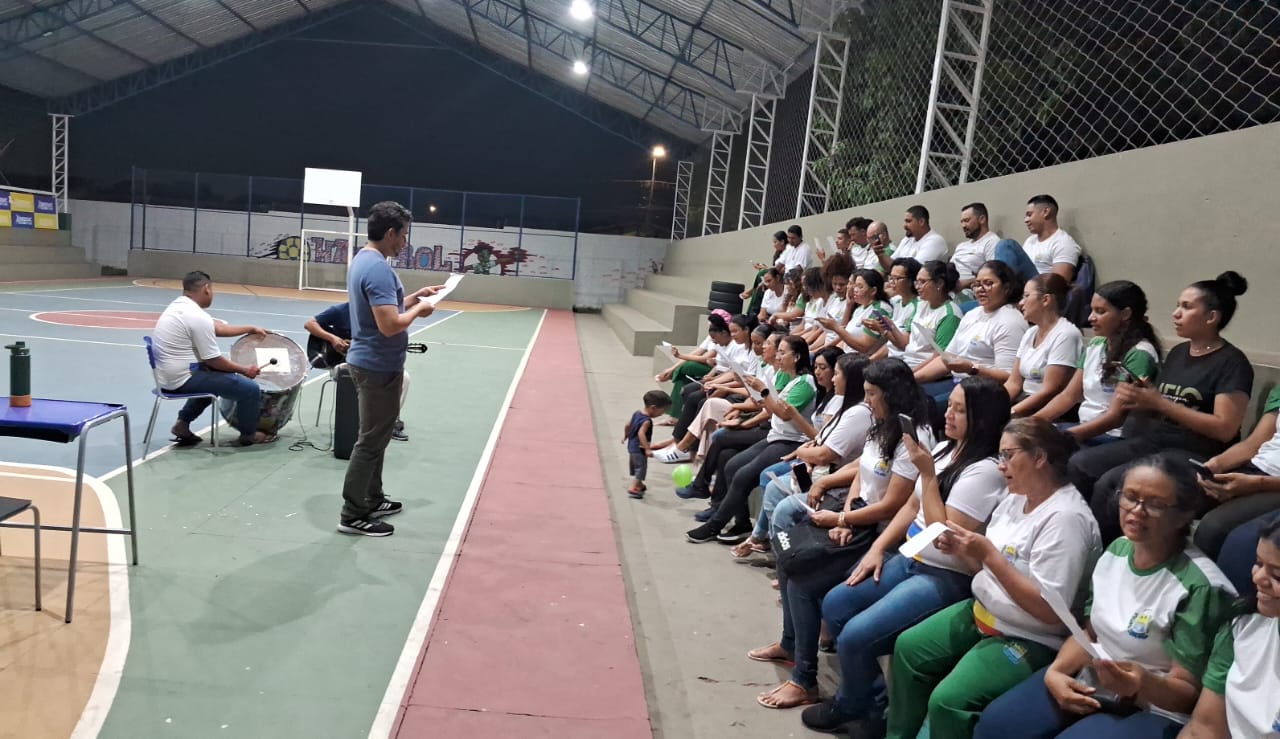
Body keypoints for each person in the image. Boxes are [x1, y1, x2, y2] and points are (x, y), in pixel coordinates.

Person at [798, 377, 1010, 734]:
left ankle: (853, 706)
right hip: (911, 555)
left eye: (960, 410)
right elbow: (912, 507)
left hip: (946, 574)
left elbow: (944, 532)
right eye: (950, 405)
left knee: (856, 636)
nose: (949, 414)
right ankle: (873, 701)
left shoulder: (985, 470)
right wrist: (879, 549)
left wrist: (927, 474)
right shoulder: (945, 449)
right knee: (835, 605)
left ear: (983, 418)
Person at [976, 456, 1237, 739]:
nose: (1137, 511)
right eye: (1130, 497)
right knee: (997, 726)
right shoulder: (1118, 549)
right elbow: (1090, 633)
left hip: (1154, 707)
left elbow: (1188, 695)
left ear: (1184, 515)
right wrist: (1057, 672)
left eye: (1155, 505)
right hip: (1096, 677)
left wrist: (1141, 682)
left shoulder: (1201, 587)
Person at [886, 418, 1102, 739]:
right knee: (909, 648)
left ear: (1039, 457)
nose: (1001, 465)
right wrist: (963, 549)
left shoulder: (1066, 518)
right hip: (985, 610)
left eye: (1008, 455)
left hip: (1031, 636)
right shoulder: (1016, 497)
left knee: (949, 700)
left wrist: (989, 556)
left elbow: (1048, 611)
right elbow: (985, 567)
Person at [750, 358, 935, 710]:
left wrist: (844, 519)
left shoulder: (913, 438)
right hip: (856, 523)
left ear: (892, 394)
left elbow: (894, 505)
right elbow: (862, 473)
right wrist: (844, 518)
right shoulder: (881, 424)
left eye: (872, 394)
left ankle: (804, 679)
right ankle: (789, 643)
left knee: (803, 582)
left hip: (882, 537)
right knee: (790, 558)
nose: (867, 401)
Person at [1068, 271, 1253, 545]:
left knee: (1113, 483)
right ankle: (1077, 542)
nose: (1176, 313)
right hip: (1155, 441)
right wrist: (1140, 397)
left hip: (1195, 452)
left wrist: (1159, 402)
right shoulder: (1178, 353)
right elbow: (1162, 406)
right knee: (1079, 464)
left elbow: (1224, 428)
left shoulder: (1232, 362)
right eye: (1178, 305)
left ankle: (1108, 552)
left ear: (1211, 317)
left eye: (1186, 307)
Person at [337, 201, 444, 538]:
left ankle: (372, 496)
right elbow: (390, 325)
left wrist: (414, 298)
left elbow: (384, 308)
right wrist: (419, 311)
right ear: (390, 233)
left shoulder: (364, 260)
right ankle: (353, 514)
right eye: (403, 235)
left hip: (371, 362)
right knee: (370, 442)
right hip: (377, 367)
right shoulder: (379, 269)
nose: (404, 243)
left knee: (378, 437)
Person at [731, 353, 873, 560]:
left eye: (834, 373)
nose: (830, 378)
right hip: (814, 465)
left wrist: (801, 452)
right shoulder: (839, 401)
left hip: (831, 477)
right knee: (770, 484)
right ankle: (772, 545)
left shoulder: (857, 412)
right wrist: (806, 457)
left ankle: (785, 555)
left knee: (780, 502)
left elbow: (825, 453)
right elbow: (821, 440)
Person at [685, 335, 817, 544]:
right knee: (731, 464)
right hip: (776, 436)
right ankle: (742, 523)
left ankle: (714, 525)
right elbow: (769, 407)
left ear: (797, 357)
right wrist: (758, 393)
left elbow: (783, 414)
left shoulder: (805, 383)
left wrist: (763, 391)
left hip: (791, 441)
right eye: (778, 351)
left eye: (783, 353)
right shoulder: (786, 377)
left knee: (743, 474)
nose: (778, 357)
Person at [1176, 516, 1280, 739]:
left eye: (1277, 575)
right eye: (1259, 563)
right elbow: (1203, 729)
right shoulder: (1242, 624)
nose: (1258, 578)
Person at [151, 270, 273, 447]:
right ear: (207, 289)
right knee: (250, 389)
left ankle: (182, 424)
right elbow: (214, 360)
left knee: (216, 378)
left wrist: (250, 328)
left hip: (165, 377)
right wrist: (245, 370)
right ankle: (249, 435)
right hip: (181, 379)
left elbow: (217, 328)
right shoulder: (196, 316)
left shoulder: (179, 307)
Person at [1036, 280, 1162, 445]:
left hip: (1115, 436)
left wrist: (1065, 437)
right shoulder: (1096, 344)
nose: (1091, 318)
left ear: (1125, 314)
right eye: (1092, 310)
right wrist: (1033, 423)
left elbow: (1114, 418)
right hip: (1084, 427)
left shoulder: (1139, 353)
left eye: (1100, 311)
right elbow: (1068, 396)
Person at [915, 260, 1028, 406]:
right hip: (958, 382)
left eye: (988, 283)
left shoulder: (1010, 321)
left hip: (983, 390)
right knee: (906, 394)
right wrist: (912, 379)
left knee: (924, 405)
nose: (980, 289)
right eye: (977, 284)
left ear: (1006, 288)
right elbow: (947, 359)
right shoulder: (972, 314)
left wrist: (972, 368)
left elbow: (1009, 377)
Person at [1194, 384, 1280, 558]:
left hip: (1273, 484)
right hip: (1255, 468)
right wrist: (1216, 464)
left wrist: (1258, 484)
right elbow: (1253, 444)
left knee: (1214, 528)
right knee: (1173, 493)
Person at [305, 302, 410, 441]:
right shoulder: (341, 310)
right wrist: (333, 338)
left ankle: (389, 423)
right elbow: (309, 324)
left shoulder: (379, 313)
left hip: (368, 363)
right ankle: (367, 424)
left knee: (404, 377)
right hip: (341, 364)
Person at [1005, 274, 1084, 418]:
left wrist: (1011, 413)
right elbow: (1014, 383)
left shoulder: (1066, 334)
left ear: (1045, 299)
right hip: (1024, 402)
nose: (1021, 303)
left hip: (1050, 411)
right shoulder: (1030, 333)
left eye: (1026, 296)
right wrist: (996, 406)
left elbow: (1049, 391)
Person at [885, 261, 964, 371]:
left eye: (922, 282)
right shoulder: (921, 305)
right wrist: (889, 328)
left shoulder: (950, 314)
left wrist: (910, 374)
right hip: (907, 363)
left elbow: (939, 358)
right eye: (916, 282)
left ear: (939, 284)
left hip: (924, 370)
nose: (917, 287)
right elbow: (905, 343)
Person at [654, 311, 736, 418]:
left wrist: (680, 357)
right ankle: (675, 416)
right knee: (682, 380)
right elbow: (699, 352)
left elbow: (707, 358)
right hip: (715, 371)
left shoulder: (727, 342)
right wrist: (673, 367)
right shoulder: (715, 337)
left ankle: (671, 375)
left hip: (719, 374)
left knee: (688, 367)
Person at [818, 268, 892, 355]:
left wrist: (836, 328)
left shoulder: (880, 310)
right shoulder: (859, 309)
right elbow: (845, 339)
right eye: (855, 286)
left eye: (860, 287)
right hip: (847, 355)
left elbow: (864, 347)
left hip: (862, 359)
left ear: (873, 291)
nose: (855, 290)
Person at [624, 390, 672, 499]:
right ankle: (634, 487)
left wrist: (626, 435)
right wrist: (647, 449)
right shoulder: (647, 421)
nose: (662, 414)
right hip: (639, 448)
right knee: (641, 468)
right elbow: (641, 434)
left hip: (631, 446)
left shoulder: (637, 413)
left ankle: (640, 485)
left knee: (636, 465)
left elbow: (627, 425)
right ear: (653, 408)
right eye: (662, 411)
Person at [1022, 194, 1082, 281]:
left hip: (1039, 286)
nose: (1026, 220)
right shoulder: (1030, 241)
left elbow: (1057, 284)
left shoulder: (1063, 243)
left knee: (1008, 244)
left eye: (1029, 215)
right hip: (1022, 285)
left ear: (1046, 212)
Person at [951, 203, 1001, 293]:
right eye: (961, 222)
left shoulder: (991, 242)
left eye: (966, 220)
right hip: (948, 287)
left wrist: (966, 283)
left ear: (982, 219)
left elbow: (993, 275)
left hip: (969, 291)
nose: (963, 226)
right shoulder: (961, 245)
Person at [882, 205, 948, 270]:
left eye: (908, 221)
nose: (904, 226)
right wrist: (880, 254)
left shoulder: (935, 240)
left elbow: (914, 270)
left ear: (921, 222)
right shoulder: (907, 240)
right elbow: (890, 264)